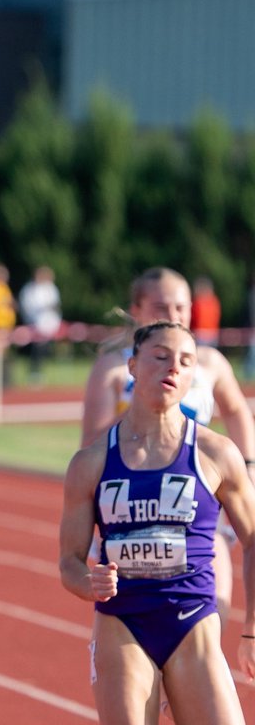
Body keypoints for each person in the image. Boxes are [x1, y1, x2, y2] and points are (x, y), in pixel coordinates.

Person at [60, 321, 255, 725]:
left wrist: (250, 626)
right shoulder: (93, 460)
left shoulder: (216, 453)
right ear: (133, 369)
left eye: (187, 361)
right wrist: (85, 578)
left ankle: (181, 711)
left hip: (193, 619)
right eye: (161, 356)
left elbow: (251, 538)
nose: (174, 368)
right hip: (124, 622)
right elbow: (65, 560)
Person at [81, 267, 255, 624]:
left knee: (209, 615)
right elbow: (91, 443)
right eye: (162, 307)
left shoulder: (209, 363)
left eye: (181, 307)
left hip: (197, 497)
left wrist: (249, 465)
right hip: (134, 507)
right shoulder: (115, 367)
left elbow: (237, 409)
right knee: (138, 622)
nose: (174, 316)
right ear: (137, 309)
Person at [18, 265, 62, 383]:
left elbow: (55, 305)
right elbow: (27, 307)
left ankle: (38, 371)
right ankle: (34, 371)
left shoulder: (51, 288)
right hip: (34, 323)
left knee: (43, 348)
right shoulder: (29, 289)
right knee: (36, 348)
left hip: (49, 323)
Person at [190, 276, 221, 348]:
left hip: (199, 335)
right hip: (212, 335)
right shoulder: (214, 301)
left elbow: (195, 318)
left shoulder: (198, 302)